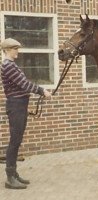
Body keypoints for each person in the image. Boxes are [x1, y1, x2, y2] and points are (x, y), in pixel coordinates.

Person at [1, 38, 51, 189]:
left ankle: (14, 173)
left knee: (17, 140)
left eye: (17, 48)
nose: (17, 51)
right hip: (16, 106)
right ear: (7, 50)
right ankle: (10, 177)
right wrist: (42, 90)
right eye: (15, 48)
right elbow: (24, 84)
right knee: (14, 141)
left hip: (19, 105)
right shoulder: (8, 66)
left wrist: (25, 106)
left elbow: (21, 85)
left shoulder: (11, 65)